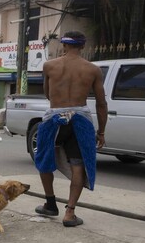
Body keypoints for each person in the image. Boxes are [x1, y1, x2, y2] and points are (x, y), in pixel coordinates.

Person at [34, 31, 107, 227]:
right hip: (80, 121)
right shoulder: (93, 70)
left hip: (54, 118)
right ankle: (70, 213)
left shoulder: (49, 66)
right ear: (82, 47)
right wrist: (101, 132)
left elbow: (48, 95)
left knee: (44, 159)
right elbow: (101, 103)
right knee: (78, 164)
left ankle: (50, 204)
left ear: (64, 46)